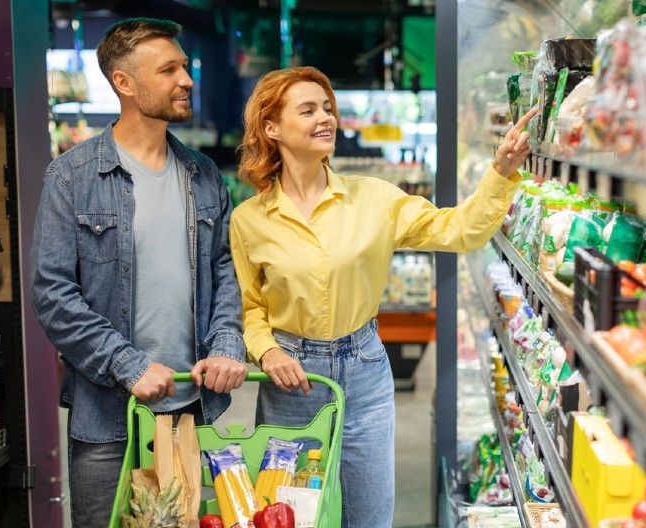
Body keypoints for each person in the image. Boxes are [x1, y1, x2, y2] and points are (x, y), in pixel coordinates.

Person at [229, 66, 536, 527]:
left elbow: (458, 231)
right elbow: (252, 308)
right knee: (290, 515)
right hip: (291, 382)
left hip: (365, 373)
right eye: (308, 109)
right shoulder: (249, 219)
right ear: (272, 128)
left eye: (328, 108)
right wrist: (267, 350)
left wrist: (500, 172)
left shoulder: (374, 198)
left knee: (368, 516)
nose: (326, 118)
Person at [30, 18, 248, 527]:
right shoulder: (72, 177)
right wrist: (127, 365)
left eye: (186, 67)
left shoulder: (203, 174)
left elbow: (224, 273)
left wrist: (226, 345)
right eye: (169, 69)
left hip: (192, 412)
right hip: (108, 420)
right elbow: (53, 294)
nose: (187, 80)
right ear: (124, 83)